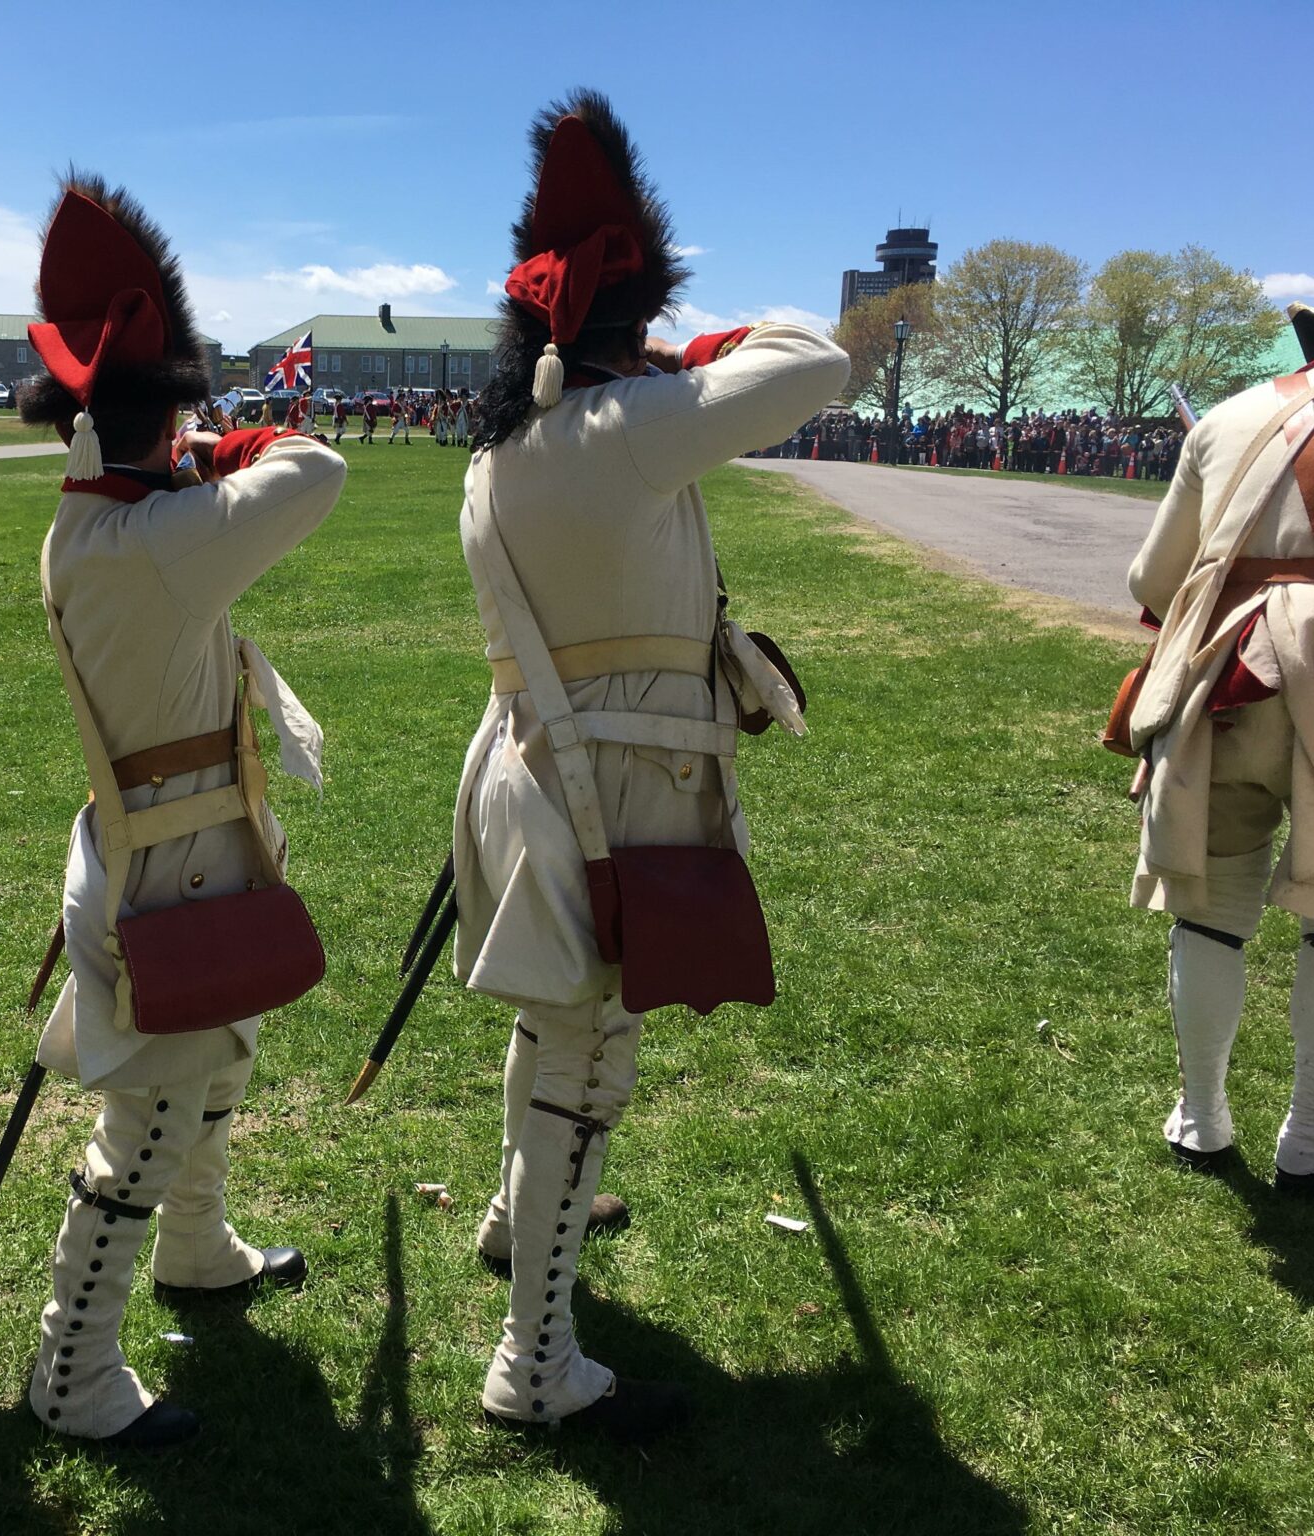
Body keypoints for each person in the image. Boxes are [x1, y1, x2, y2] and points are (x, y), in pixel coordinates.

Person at [452, 91, 848, 1440]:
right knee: (588, 1059)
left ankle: (520, 1220)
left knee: (556, 1030)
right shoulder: (624, 427)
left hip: (537, 768)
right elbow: (817, 361)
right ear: (638, 323)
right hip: (608, 788)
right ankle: (536, 1368)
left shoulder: (505, 446)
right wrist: (705, 348)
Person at [17, 176, 348, 1449]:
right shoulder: (153, 533)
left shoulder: (111, 519)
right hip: (171, 854)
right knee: (147, 1120)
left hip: (176, 834)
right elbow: (312, 472)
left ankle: (199, 1253)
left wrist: (185, 459)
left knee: (215, 1067)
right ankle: (73, 1373)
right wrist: (229, 450)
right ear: (168, 417)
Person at [1124, 301, 1314, 1188]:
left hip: (1228, 673)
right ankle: (1310, 1136)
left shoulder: (1229, 416)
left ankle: (1203, 1118)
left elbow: (1151, 579)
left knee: (1209, 907)